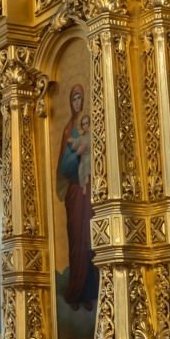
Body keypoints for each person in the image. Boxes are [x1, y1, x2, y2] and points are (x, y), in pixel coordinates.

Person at [57, 84, 98, 312]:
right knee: (76, 239)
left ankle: (90, 292)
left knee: (89, 237)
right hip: (75, 190)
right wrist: (77, 157)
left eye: (79, 98)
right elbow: (64, 166)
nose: (77, 103)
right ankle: (75, 292)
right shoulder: (69, 130)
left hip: (89, 188)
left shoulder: (89, 127)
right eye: (73, 99)